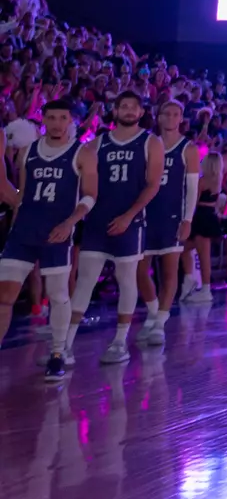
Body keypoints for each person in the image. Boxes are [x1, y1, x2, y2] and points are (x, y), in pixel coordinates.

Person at [0, 98, 96, 382]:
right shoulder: (27, 151)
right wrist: (17, 221)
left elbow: (90, 195)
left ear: (71, 121)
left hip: (58, 231)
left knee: (56, 294)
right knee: (4, 295)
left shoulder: (83, 153)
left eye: (62, 118)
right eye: (51, 118)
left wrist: (70, 222)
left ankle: (57, 353)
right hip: (24, 232)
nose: (56, 123)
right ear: (43, 120)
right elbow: (22, 195)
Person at [66, 91, 163, 365]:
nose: (129, 111)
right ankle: (65, 345)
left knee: (126, 279)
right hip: (97, 220)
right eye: (124, 106)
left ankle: (119, 342)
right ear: (115, 110)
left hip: (130, 221)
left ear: (142, 112)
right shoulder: (97, 144)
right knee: (84, 281)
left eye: (134, 106)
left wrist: (129, 216)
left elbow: (153, 185)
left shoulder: (150, 142)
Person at [135, 99, 201, 347]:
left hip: (172, 215)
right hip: (145, 214)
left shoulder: (188, 149)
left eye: (176, 114)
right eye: (167, 113)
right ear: (159, 117)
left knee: (169, 271)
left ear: (181, 119)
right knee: (140, 271)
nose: (172, 117)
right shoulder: (147, 144)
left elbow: (192, 188)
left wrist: (187, 219)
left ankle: (160, 322)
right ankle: (153, 314)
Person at [185, 146, 222, 304]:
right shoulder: (217, 180)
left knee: (202, 255)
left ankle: (206, 289)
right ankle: (189, 280)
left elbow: (192, 201)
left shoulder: (202, 181)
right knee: (183, 248)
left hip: (200, 217)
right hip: (209, 216)